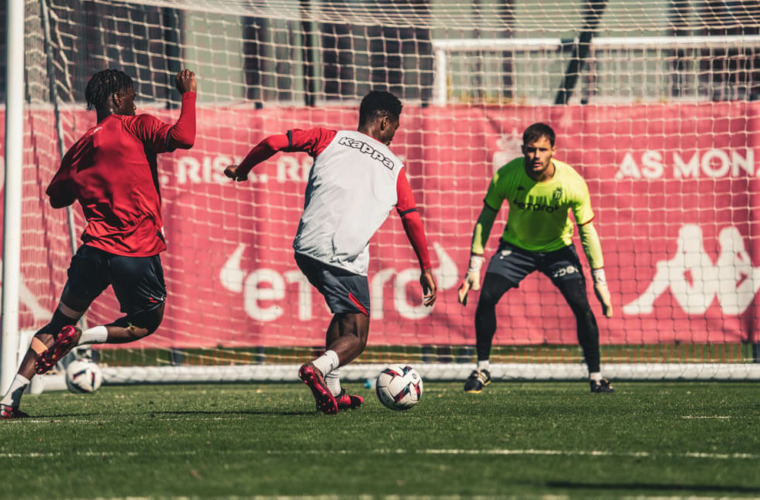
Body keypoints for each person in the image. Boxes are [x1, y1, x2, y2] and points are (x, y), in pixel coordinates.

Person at [224, 90, 437, 414]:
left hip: (306, 248)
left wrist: (243, 168)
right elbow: (411, 218)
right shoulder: (394, 167)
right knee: (357, 335)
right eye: (394, 128)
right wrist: (426, 268)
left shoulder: (329, 138)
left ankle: (335, 392)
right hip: (341, 257)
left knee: (343, 316)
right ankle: (318, 369)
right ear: (384, 122)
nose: (393, 136)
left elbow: (273, 142)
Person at [0, 68, 197, 419]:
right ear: (118, 98)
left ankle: (9, 401)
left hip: (93, 252)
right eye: (132, 97)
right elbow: (184, 138)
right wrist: (188, 93)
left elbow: (57, 197)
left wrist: (92, 181)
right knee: (145, 322)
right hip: (134, 250)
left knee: (56, 323)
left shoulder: (80, 146)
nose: (135, 104)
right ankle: (81, 338)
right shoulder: (136, 126)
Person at [457, 122, 614, 394]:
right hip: (516, 249)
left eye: (542, 149)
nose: (536, 155)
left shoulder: (572, 182)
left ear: (554, 150)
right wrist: (474, 265)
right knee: (487, 297)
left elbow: (587, 231)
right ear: (523, 150)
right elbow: (486, 217)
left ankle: (597, 377)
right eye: (531, 150)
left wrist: (600, 279)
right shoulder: (507, 175)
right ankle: (482, 369)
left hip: (558, 251)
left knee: (582, 306)